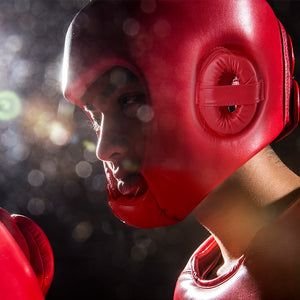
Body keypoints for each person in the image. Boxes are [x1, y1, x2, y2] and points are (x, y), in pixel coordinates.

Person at [62, 0, 300, 298]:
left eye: (129, 101)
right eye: (96, 117)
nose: (103, 148)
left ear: (227, 83)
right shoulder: (197, 281)